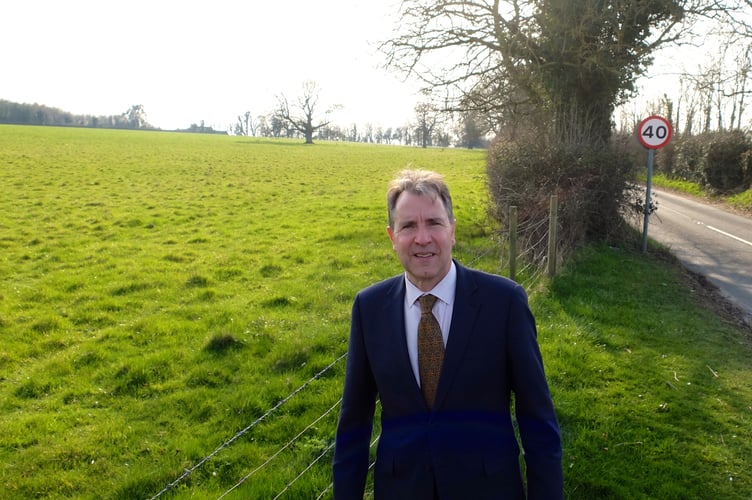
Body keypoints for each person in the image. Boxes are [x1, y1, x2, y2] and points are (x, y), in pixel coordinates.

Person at [333, 169, 563, 499]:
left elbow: (537, 420)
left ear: (452, 231)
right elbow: (354, 423)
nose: (422, 238)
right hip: (402, 489)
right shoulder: (369, 308)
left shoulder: (504, 303)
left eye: (434, 224)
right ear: (392, 236)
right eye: (408, 226)